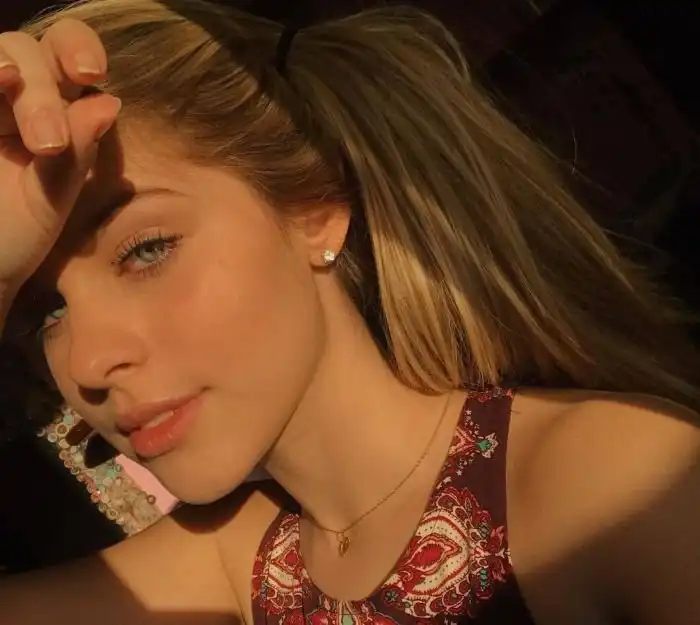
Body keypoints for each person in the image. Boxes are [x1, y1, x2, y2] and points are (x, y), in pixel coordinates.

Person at [0, 0, 699, 623]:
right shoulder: (229, 565)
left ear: (315, 208)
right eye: (47, 312)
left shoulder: (611, 482)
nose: (89, 362)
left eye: (147, 250)